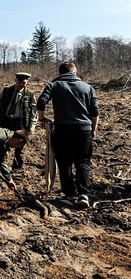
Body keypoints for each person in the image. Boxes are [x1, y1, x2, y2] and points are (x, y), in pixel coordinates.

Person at [36, 61, 99, 209]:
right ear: (75, 72)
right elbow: (95, 111)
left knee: (65, 163)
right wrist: (93, 128)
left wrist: (41, 119)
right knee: (83, 161)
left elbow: (40, 102)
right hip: (84, 129)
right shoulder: (88, 87)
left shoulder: (54, 85)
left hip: (63, 129)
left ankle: (69, 195)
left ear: (59, 74)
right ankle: (83, 194)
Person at [0, 72, 37, 169]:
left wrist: (32, 127)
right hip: (5, 120)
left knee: (20, 146)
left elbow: (34, 112)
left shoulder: (30, 94)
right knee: (1, 143)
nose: (21, 84)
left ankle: (17, 167)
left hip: (20, 122)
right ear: (15, 80)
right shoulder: (6, 91)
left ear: (27, 82)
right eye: (19, 82)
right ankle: (0, 165)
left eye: (23, 83)